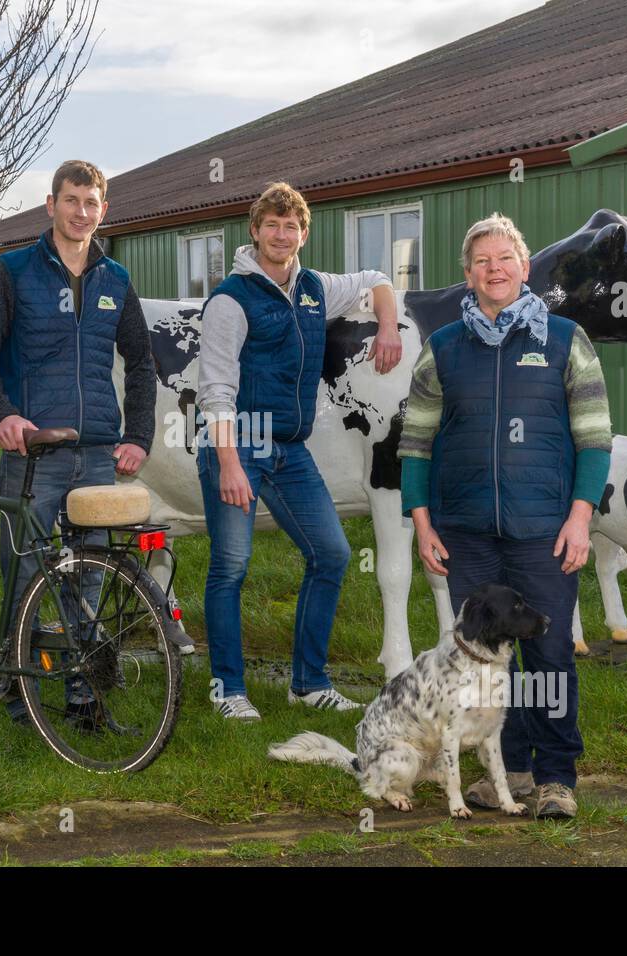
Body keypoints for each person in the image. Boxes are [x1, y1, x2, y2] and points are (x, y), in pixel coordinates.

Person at [397, 212, 613, 819]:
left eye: (506, 258)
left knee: (547, 656)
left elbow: (595, 437)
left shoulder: (566, 340)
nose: (495, 269)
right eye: (483, 262)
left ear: (525, 268)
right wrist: (422, 522)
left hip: (544, 529)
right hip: (466, 533)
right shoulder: (441, 349)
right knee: (487, 661)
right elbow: (414, 441)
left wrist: (579, 518)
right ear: (468, 275)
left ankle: (555, 778)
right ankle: (507, 772)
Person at [0, 159, 158, 724]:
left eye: (91, 202)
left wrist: (138, 436)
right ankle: (22, 696)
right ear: (51, 205)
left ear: (103, 210)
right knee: (25, 574)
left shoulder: (115, 280)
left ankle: (83, 698)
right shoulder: (14, 271)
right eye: (70, 201)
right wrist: (2, 417)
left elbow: (142, 362)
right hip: (33, 456)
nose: (81, 212)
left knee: (88, 574)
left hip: (95, 452)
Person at [195, 181, 402, 720]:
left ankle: (307, 683)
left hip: (289, 447)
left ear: (303, 233)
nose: (282, 235)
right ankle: (228, 690)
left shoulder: (313, 287)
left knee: (331, 554)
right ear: (256, 231)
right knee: (231, 567)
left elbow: (377, 279)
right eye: (272, 225)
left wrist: (387, 330)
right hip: (235, 441)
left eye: (292, 226)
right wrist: (230, 464)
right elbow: (215, 390)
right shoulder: (230, 300)